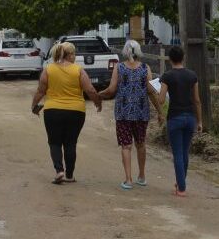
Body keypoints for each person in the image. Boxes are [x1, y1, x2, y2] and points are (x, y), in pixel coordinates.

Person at [31, 42, 103, 184]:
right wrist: (97, 102)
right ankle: (69, 175)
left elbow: (41, 90)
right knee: (70, 143)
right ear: (69, 55)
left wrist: (34, 106)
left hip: (53, 111)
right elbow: (90, 90)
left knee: (55, 142)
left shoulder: (49, 69)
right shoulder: (78, 70)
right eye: (74, 54)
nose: (75, 56)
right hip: (76, 112)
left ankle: (59, 171)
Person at [99, 40, 164, 190]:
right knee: (140, 144)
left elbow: (111, 89)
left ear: (125, 51)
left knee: (126, 146)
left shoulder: (119, 67)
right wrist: (160, 112)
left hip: (123, 113)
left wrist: (97, 95)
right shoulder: (145, 68)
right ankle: (141, 176)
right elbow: (151, 91)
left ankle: (128, 180)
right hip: (141, 112)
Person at [155, 45, 203, 197]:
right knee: (185, 152)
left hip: (175, 118)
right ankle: (181, 182)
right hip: (190, 118)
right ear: (183, 58)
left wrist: (159, 109)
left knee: (177, 154)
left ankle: (181, 188)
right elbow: (197, 101)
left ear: (170, 59)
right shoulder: (192, 76)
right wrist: (200, 121)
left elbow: (161, 100)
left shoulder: (167, 76)